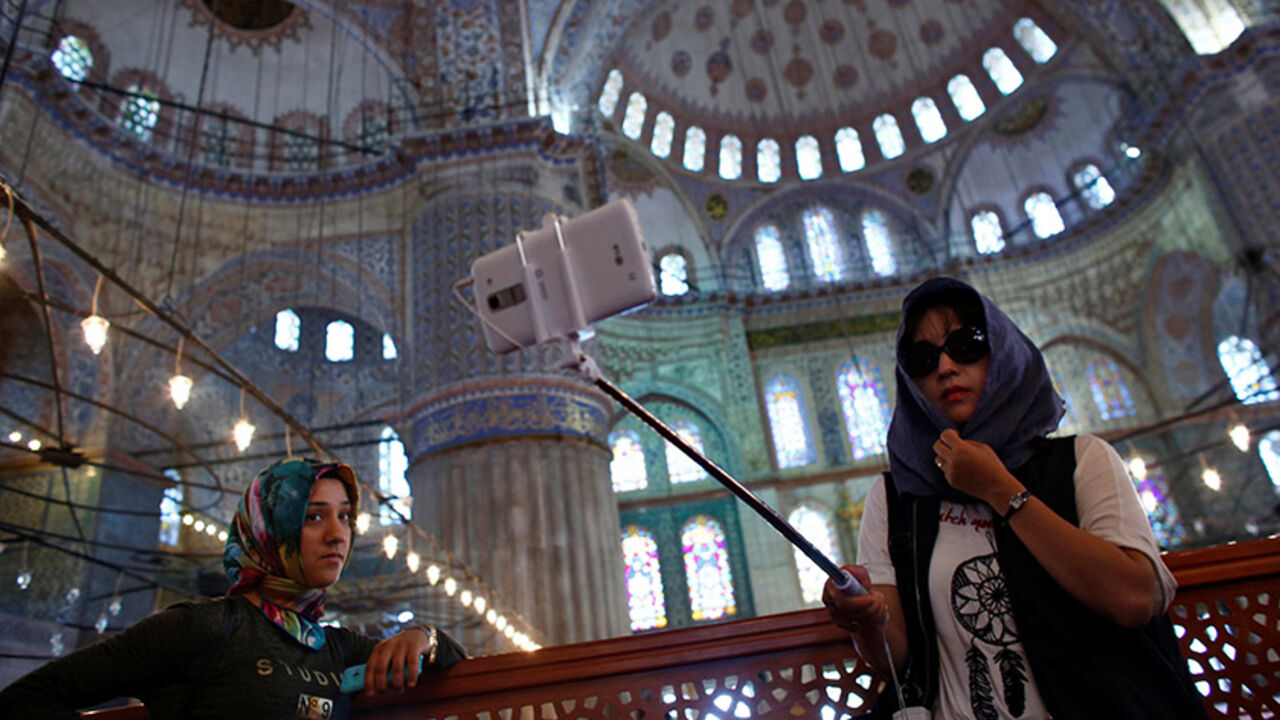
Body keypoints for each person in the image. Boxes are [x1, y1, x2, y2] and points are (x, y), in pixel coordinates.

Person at [822, 277, 1206, 719]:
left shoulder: (1082, 461)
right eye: (923, 359)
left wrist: (998, 489)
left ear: (1003, 352)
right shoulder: (895, 497)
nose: (945, 367)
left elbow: (1133, 600)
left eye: (966, 345)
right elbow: (897, 653)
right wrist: (864, 619)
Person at [0, 458, 465, 719]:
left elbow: (459, 670)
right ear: (270, 528)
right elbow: (31, 698)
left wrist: (423, 637)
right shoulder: (201, 628)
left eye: (345, 516)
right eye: (313, 517)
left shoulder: (336, 648)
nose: (338, 534)